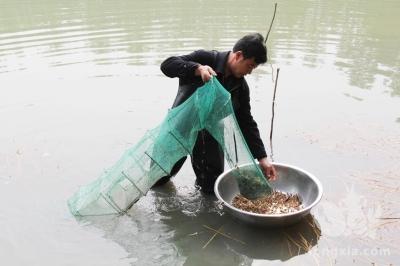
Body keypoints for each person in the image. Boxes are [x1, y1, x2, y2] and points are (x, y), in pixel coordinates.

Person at [154, 33, 277, 193]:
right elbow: (167, 65)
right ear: (238, 56)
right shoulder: (205, 59)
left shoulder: (240, 87)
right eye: (250, 66)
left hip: (210, 137)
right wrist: (198, 69)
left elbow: (246, 122)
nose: (250, 72)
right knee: (159, 179)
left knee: (211, 188)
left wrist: (262, 157)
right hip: (180, 129)